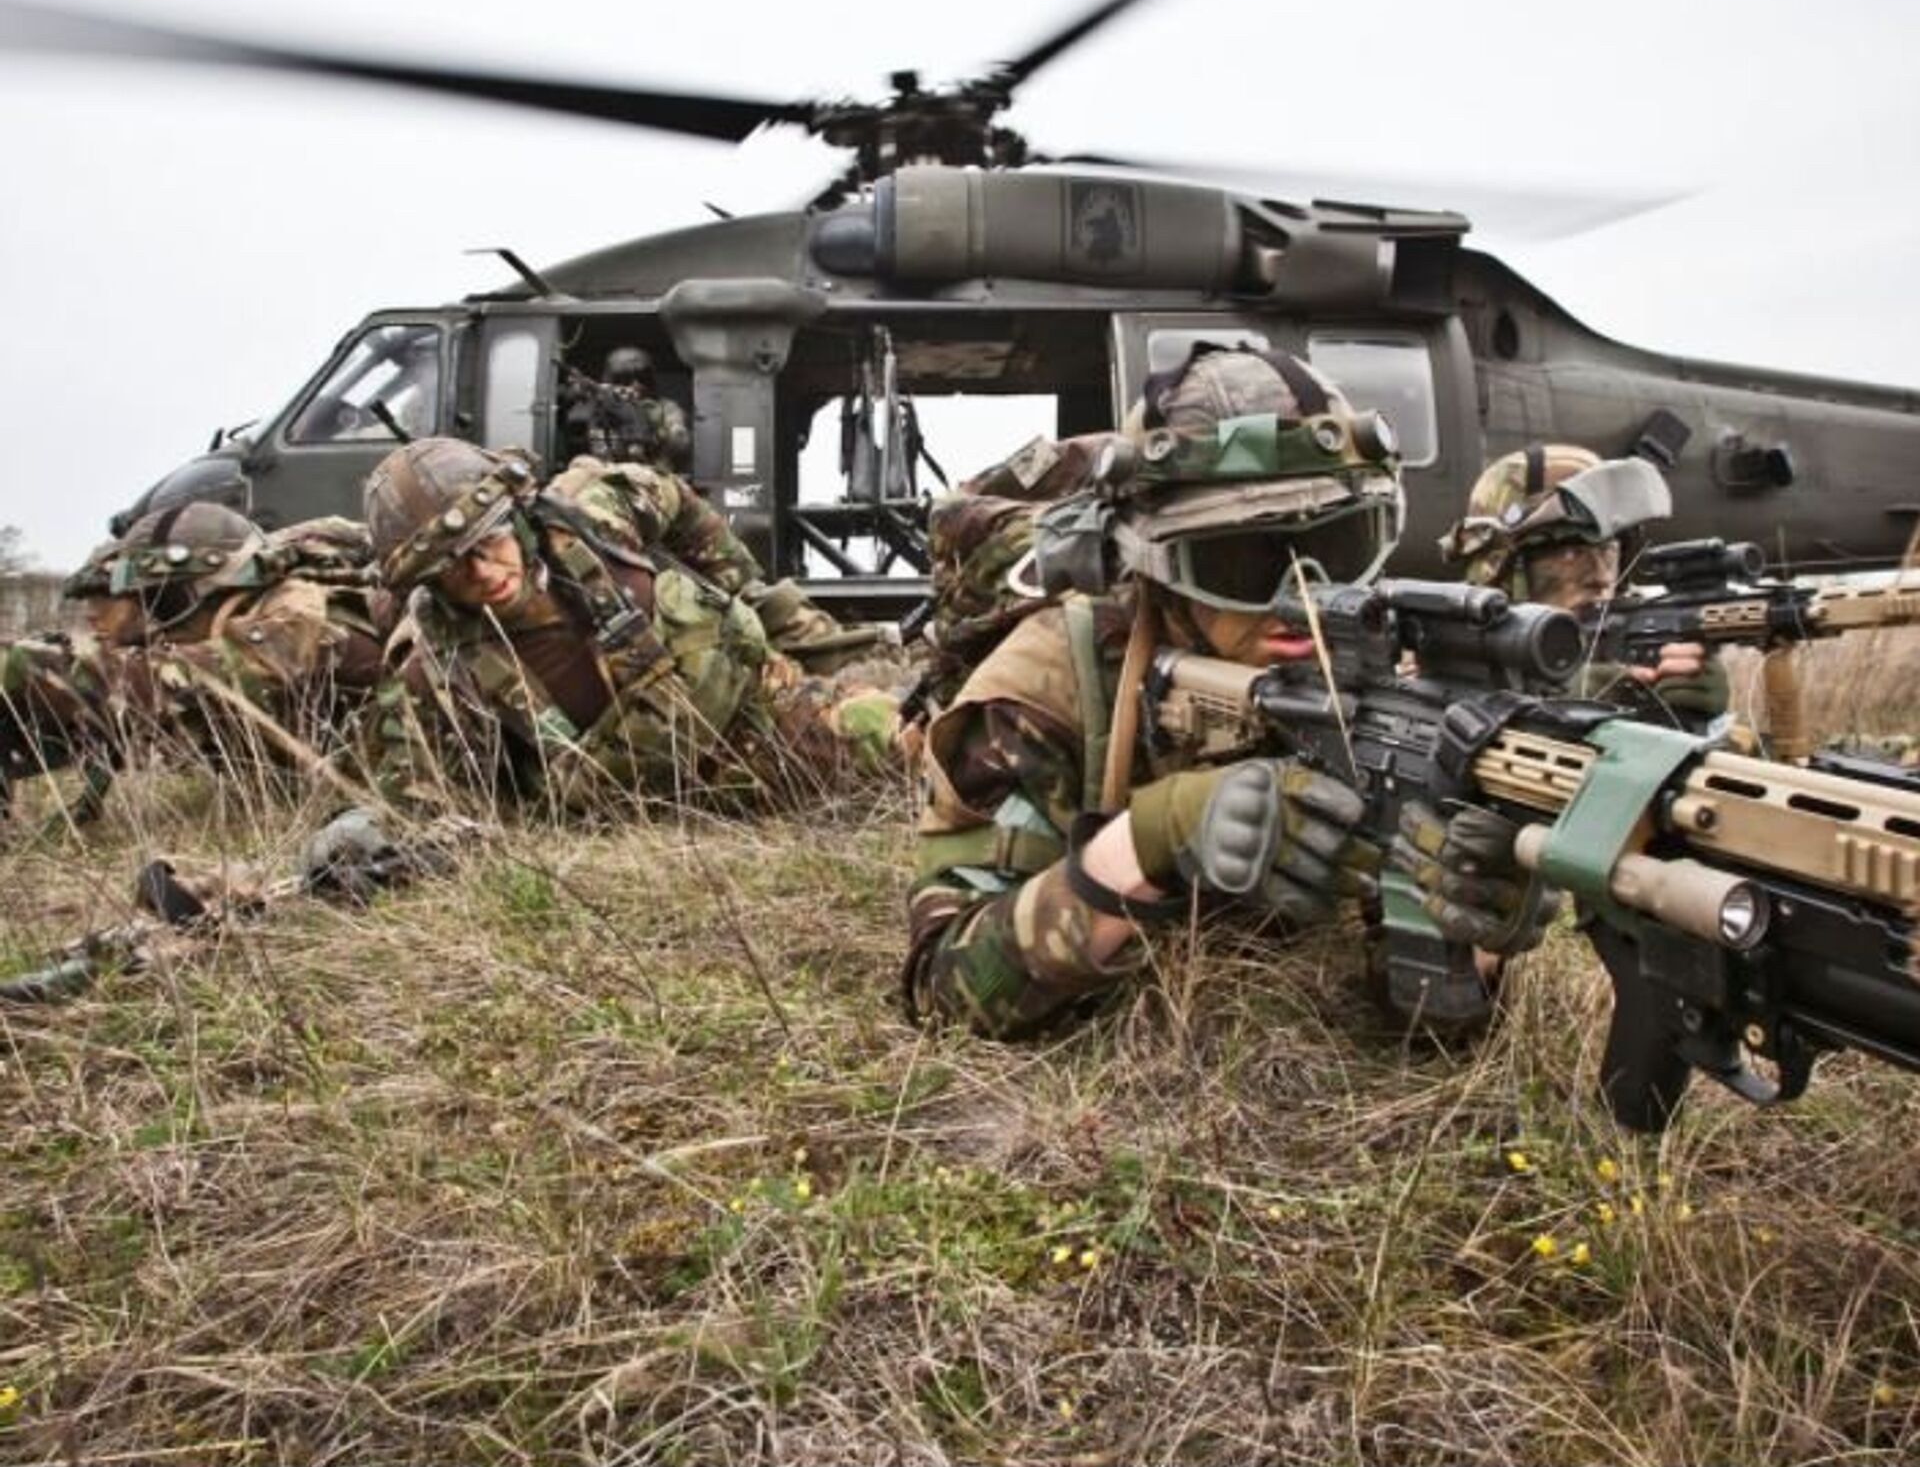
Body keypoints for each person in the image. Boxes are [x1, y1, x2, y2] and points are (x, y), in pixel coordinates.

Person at [903, 345, 1560, 1040]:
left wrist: (1470, 934)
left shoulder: (1379, 678)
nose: (1302, 598)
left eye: (1339, 547)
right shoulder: (1051, 683)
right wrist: (1150, 840)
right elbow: (947, 995)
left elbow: (1420, 1024)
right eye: (1242, 562)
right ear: (1155, 566)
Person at [353, 438, 899, 819]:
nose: (483, 573)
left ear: (515, 515)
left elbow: (677, 501)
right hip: (649, 813)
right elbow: (418, 800)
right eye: (451, 567)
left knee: (897, 741)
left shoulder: (596, 513)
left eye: (489, 541)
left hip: (754, 709)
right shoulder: (437, 668)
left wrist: (742, 587)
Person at [1, 503, 391, 818]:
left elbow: (171, 681)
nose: (151, 614)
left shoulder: (303, 620)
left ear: (194, 591)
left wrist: (29, 667)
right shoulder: (227, 624)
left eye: (159, 598)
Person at [1438, 443, 1728, 726]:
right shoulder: (1440, 655)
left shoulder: (1631, 649)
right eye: (1571, 554)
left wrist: (1687, 723)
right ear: (1501, 571)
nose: (1600, 577)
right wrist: (1551, 706)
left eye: (1608, 550)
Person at [564, 346, 692, 472]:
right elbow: (578, 441)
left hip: (652, 473)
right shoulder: (594, 407)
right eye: (624, 379)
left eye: (642, 378)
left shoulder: (666, 409)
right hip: (601, 473)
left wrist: (655, 429)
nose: (635, 385)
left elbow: (679, 442)